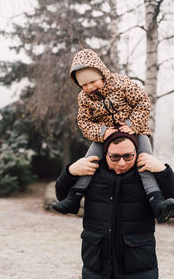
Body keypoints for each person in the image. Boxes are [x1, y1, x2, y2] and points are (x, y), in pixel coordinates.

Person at [52, 48, 174, 223]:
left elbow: (143, 102)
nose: (90, 87)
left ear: (102, 73)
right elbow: (84, 122)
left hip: (135, 130)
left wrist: (132, 124)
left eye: (93, 81)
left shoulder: (122, 83)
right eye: (84, 85)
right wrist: (102, 132)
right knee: (89, 162)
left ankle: (157, 203)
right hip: (105, 135)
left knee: (145, 162)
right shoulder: (84, 98)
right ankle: (73, 199)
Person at [55, 131, 174, 279]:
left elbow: (171, 201)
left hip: (139, 268)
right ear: (105, 154)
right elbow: (62, 196)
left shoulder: (147, 174)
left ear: (137, 153)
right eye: (115, 157)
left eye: (128, 156)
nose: (122, 163)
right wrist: (70, 171)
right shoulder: (91, 172)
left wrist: (163, 171)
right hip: (96, 267)